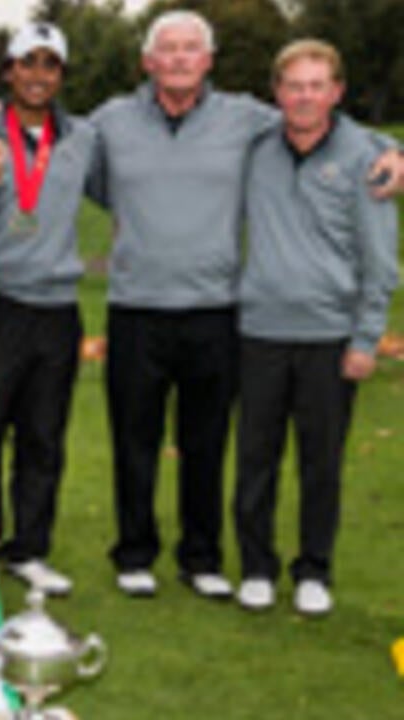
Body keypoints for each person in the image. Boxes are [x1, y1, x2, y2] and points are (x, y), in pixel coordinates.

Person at [87, 10, 404, 600]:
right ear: (148, 61)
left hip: (216, 308)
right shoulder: (111, 120)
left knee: (207, 443)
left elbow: (327, 123)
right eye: (168, 49)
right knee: (134, 438)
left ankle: (202, 558)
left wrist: (393, 150)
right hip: (137, 304)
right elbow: (67, 155)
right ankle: (135, 552)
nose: (179, 58)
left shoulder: (244, 118)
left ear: (208, 60)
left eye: (191, 49)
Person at [233, 39, 397, 616]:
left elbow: (381, 260)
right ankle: (256, 566)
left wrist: (365, 337)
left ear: (336, 92)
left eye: (315, 86)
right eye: (293, 85)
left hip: (330, 335)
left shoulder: (367, 158)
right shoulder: (256, 147)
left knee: (320, 462)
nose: (304, 97)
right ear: (277, 92)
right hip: (260, 330)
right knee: (255, 456)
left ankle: (313, 570)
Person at [0, 23, 98, 597]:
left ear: (61, 77)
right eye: (28, 63)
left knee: (43, 437)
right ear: (9, 71)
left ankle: (28, 548)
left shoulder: (83, 138)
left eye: (50, 65)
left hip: (57, 307)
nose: (38, 75)